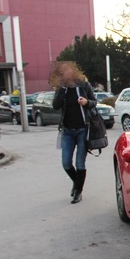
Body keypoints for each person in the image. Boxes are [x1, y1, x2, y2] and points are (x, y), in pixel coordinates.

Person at [50, 61, 97, 204]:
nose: (65, 73)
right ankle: (77, 183)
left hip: (83, 129)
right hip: (67, 131)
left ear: (73, 71)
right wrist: (62, 91)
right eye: (62, 72)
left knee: (80, 163)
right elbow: (55, 106)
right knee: (66, 163)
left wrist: (86, 102)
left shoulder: (83, 85)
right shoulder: (61, 89)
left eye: (67, 70)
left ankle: (78, 192)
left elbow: (94, 102)